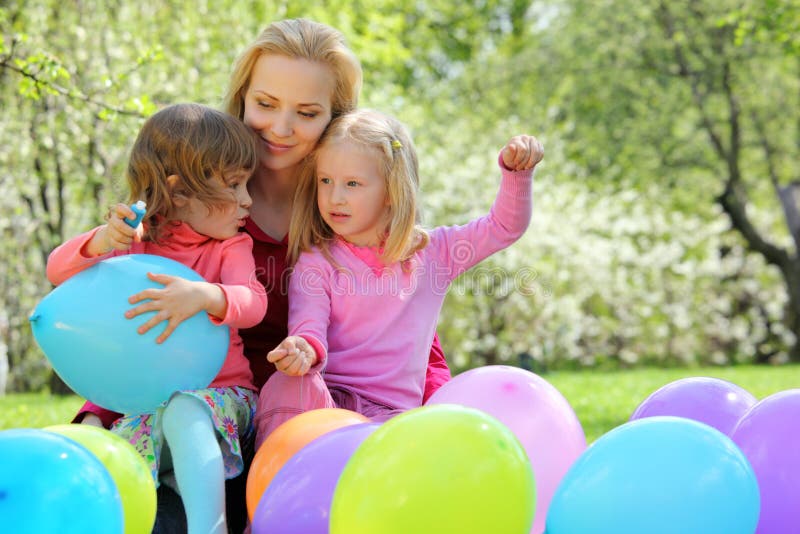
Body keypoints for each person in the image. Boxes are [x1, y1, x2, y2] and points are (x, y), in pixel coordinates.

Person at [70, 19, 452, 532]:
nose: (281, 127)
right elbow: (143, 303)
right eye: (265, 104)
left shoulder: (353, 213)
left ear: (336, 120)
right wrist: (101, 407)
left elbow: (408, 329)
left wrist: (438, 414)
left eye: (308, 113)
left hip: (323, 426)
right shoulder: (203, 206)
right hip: (208, 423)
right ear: (242, 99)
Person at [255, 108, 543, 447]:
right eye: (326, 181)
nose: (335, 197)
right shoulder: (318, 260)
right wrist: (302, 349)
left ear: (392, 191)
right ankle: (278, 489)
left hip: (392, 420)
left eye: (352, 184)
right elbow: (308, 325)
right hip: (328, 405)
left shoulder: (435, 252)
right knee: (287, 384)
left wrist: (517, 175)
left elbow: (503, 227)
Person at [47, 103, 268, 534]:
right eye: (235, 185)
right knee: (96, 435)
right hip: (145, 404)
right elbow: (58, 273)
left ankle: (212, 527)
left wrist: (205, 295)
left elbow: (254, 302)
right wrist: (100, 240)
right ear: (179, 190)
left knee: (185, 411)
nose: (248, 200)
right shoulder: (136, 241)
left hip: (221, 399)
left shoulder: (229, 247)